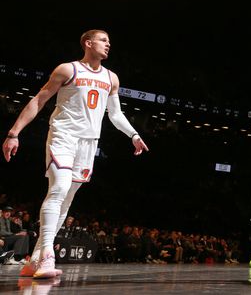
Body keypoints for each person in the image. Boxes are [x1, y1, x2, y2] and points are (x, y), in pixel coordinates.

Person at [2, 29, 149, 278]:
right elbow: (39, 100)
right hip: (63, 136)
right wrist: (13, 133)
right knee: (58, 189)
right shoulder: (67, 69)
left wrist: (133, 135)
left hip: (88, 143)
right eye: (103, 40)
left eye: (109, 41)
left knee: (67, 200)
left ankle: (35, 259)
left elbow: (115, 114)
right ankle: (48, 254)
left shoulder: (112, 78)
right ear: (88, 43)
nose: (108, 44)